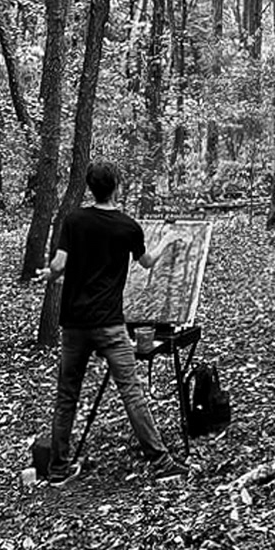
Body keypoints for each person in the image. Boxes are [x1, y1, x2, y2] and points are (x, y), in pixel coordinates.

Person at [42, 161, 187, 484]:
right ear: (116, 185)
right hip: (108, 323)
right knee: (131, 391)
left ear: (90, 187)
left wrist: (49, 273)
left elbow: (59, 265)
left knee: (67, 395)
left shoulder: (75, 220)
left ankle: (58, 469)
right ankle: (161, 462)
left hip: (74, 324)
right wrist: (166, 239)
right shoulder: (127, 227)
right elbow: (147, 262)